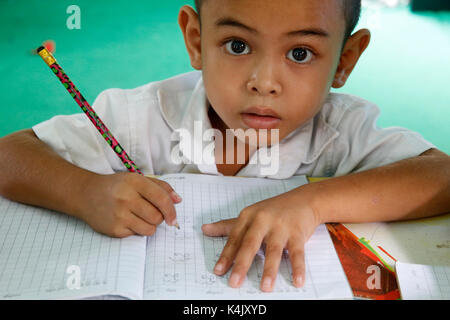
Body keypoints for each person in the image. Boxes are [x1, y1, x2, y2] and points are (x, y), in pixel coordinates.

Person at [0, 0, 448, 293]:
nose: (264, 82)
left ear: (344, 61)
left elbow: (440, 177)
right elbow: (9, 155)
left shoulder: (339, 127)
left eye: (300, 54)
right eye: (237, 45)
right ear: (196, 40)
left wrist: (313, 202)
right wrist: (83, 192)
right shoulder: (139, 116)